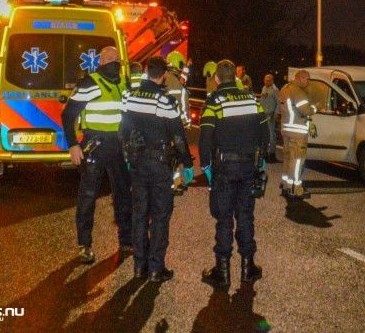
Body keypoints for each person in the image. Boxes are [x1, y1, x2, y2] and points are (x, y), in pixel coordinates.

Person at [120, 56, 195, 282]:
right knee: (161, 215)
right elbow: (178, 136)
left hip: (137, 164)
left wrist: (127, 156)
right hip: (160, 165)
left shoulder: (129, 98)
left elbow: (122, 130)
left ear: (145, 71)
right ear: (163, 75)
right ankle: (156, 268)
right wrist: (187, 163)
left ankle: (139, 266)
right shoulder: (164, 101)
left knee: (140, 214)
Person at [199, 60, 269, 289]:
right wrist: (261, 162)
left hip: (224, 169)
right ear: (235, 77)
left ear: (217, 78)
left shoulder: (213, 102)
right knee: (246, 216)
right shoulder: (251, 99)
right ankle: (248, 269)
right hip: (248, 167)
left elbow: (205, 138)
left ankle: (222, 272)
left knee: (224, 218)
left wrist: (206, 167)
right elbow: (265, 132)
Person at [62, 46, 132, 264]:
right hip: (95, 145)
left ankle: (127, 240)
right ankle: (85, 245)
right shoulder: (90, 82)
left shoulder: (124, 83)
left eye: (117, 58)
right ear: (101, 61)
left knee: (123, 196)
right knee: (88, 197)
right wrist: (73, 145)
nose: (115, 61)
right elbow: (68, 115)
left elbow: (130, 114)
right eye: (110, 58)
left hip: (119, 147)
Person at [278, 70, 317, 198]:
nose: (308, 81)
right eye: (306, 78)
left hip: (286, 129)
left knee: (288, 158)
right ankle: (295, 188)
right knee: (298, 160)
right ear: (299, 78)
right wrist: (316, 107)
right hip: (298, 131)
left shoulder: (285, 88)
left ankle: (285, 184)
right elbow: (307, 111)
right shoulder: (298, 92)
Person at [165, 51, 190, 126]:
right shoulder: (175, 81)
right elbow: (181, 103)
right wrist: (185, 121)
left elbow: (183, 78)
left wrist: (187, 66)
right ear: (178, 63)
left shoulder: (165, 76)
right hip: (175, 123)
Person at [260, 73, 280, 163]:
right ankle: (265, 154)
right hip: (264, 114)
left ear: (272, 81)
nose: (266, 82)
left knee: (271, 135)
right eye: (265, 80)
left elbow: (278, 103)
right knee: (264, 134)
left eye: (268, 80)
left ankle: (272, 154)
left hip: (270, 114)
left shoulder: (275, 90)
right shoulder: (264, 88)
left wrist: (275, 114)